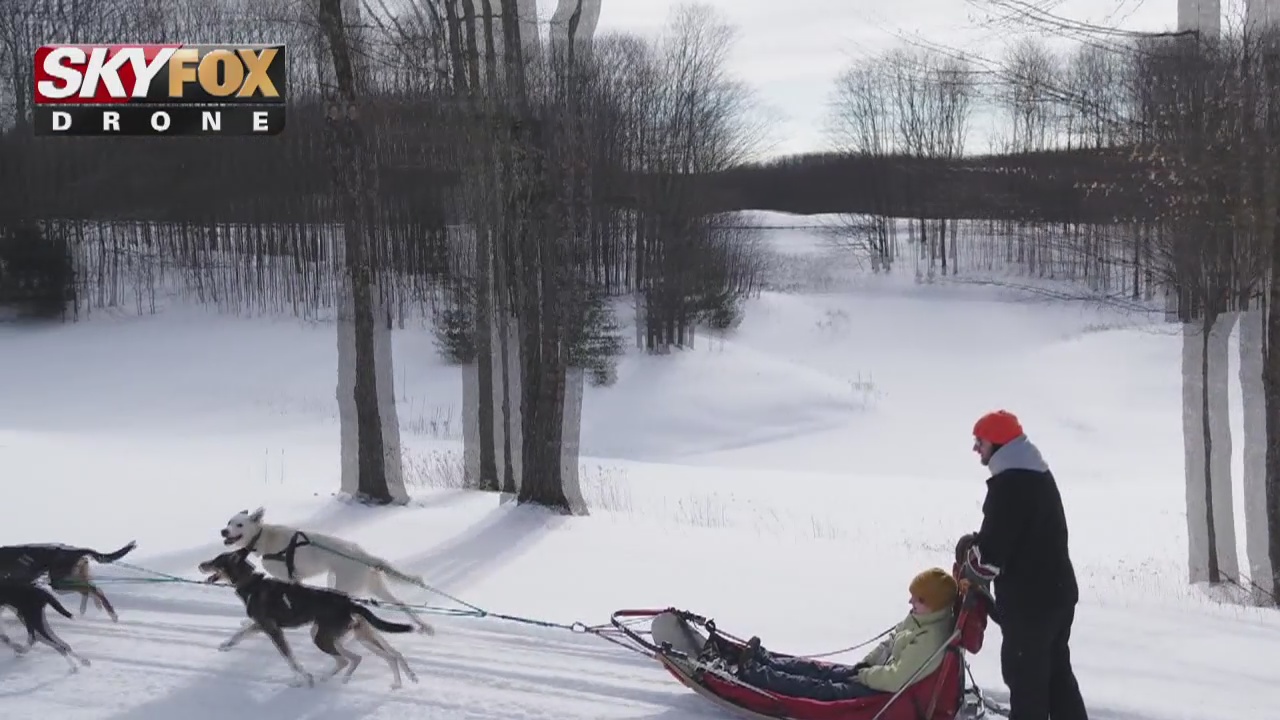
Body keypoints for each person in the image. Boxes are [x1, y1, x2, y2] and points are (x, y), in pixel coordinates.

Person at [959, 410, 1088, 720]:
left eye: (981, 441)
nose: (976, 448)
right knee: (1057, 676)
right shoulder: (1037, 475)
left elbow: (987, 561)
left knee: (1026, 682)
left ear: (1000, 443)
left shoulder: (1010, 486)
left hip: (1032, 606)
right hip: (1058, 595)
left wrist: (967, 550)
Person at [714, 568, 959, 702]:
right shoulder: (920, 618)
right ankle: (765, 660)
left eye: (918, 599)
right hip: (873, 676)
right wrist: (867, 664)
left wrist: (864, 676)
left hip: (880, 692)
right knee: (820, 670)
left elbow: (896, 680)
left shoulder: (930, 639)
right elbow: (891, 642)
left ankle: (755, 674)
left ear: (934, 603)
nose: (910, 601)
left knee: (819, 687)